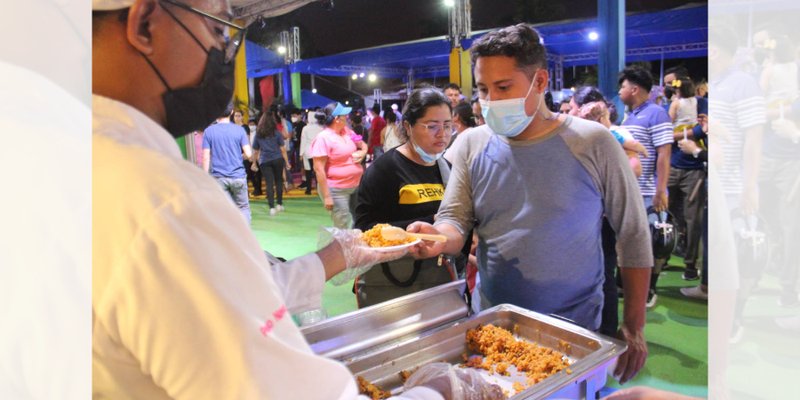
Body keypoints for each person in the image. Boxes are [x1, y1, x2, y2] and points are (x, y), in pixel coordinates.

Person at [93, 1, 502, 398]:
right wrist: (434, 390)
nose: (222, 51)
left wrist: (338, 255)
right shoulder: (167, 198)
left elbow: (239, 291)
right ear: (145, 23)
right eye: (216, 27)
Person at [409, 24, 652, 385]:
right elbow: (455, 220)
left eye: (503, 87)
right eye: (483, 89)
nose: (490, 100)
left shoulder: (593, 143)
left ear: (539, 82)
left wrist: (633, 325)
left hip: (575, 326)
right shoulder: (472, 144)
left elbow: (632, 233)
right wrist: (439, 238)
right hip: (493, 323)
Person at [354, 87, 458, 307]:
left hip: (436, 278)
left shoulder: (447, 168)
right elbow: (364, 229)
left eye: (447, 125)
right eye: (432, 126)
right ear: (408, 127)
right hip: (392, 280)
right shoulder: (385, 169)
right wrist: (428, 225)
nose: (442, 134)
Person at [618, 65, 673, 308]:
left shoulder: (656, 113)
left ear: (634, 88)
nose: (620, 91)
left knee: (654, 240)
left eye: (623, 86)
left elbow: (664, 154)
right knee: (634, 241)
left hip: (649, 191)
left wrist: (661, 189)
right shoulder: (630, 115)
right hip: (633, 189)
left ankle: (650, 289)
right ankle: (633, 287)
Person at [311, 102, 367, 229]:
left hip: (355, 185)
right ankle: (342, 248)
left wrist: (363, 152)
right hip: (336, 189)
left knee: (360, 218)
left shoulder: (347, 131)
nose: (347, 118)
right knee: (343, 223)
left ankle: (354, 247)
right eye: (344, 115)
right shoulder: (323, 138)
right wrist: (327, 196)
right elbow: (319, 169)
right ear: (337, 119)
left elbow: (362, 144)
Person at [202, 110, 253, 223]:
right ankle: (244, 235)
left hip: (219, 178)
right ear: (231, 112)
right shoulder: (239, 130)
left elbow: (206, 157)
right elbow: (249, 154)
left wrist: (205, 177)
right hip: (238, 176)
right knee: (243, 207)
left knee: (225, 210)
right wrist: (240, 157)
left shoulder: (208, 131)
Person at [251, 109, 290, 216]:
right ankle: (279, 204)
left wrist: (254, 163)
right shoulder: (277, 133)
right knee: (278, 181)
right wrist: (287, 162)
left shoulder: (258, 134)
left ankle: (271, 207)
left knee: (269, 183)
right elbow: (282, 149)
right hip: (277, 159)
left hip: (264, 160)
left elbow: (255, 150)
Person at [300, 109, 324, 195]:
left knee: (308, 171)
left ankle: (308, 189)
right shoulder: (321, 128)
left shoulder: (305, 128)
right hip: (318, 152)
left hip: (308, 152)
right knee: (318, 171)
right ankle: (319, 189)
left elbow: (303, 141)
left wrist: (301, 153)